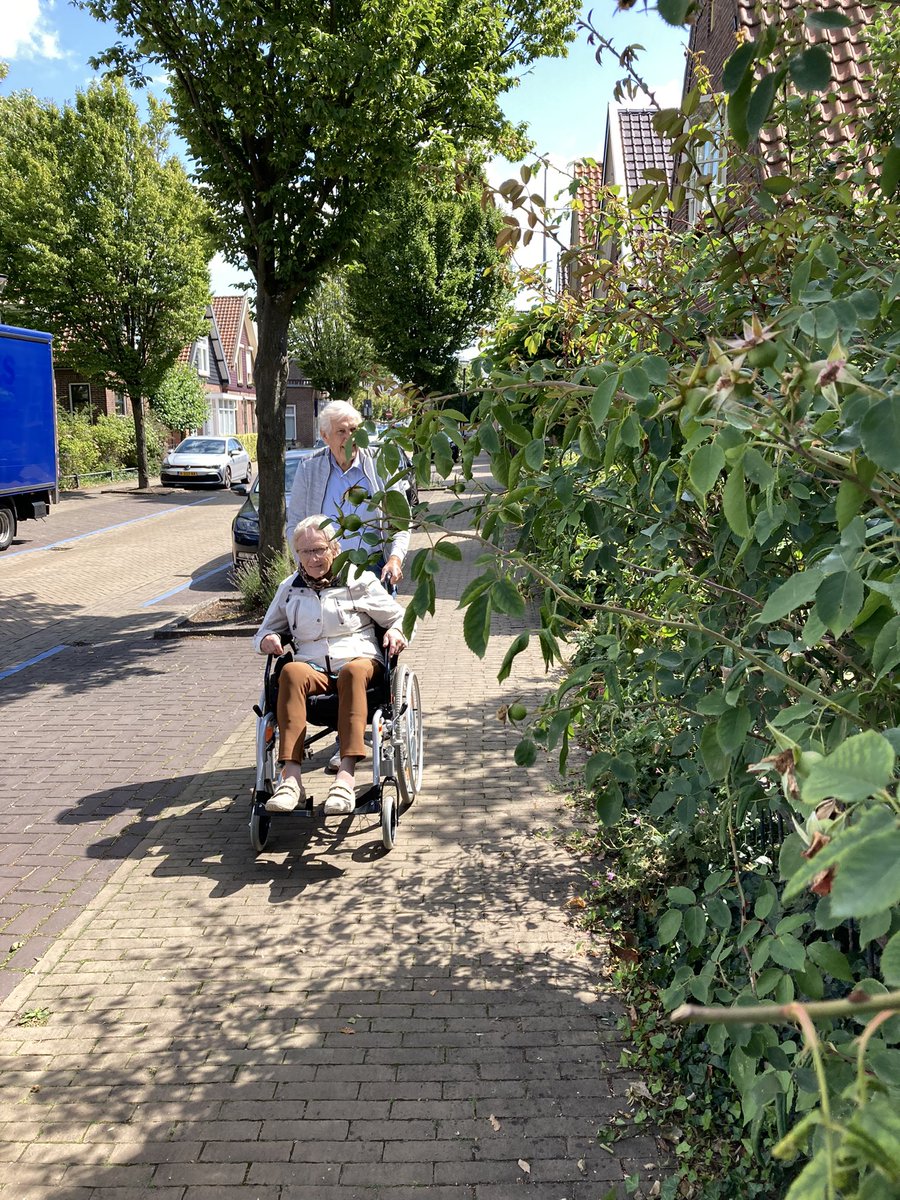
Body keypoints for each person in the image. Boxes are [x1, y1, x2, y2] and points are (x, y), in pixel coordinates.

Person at [254, 516, 408, 817]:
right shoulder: (290, 588)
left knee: (351, 672)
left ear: (334, 548)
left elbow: (397, 616)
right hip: (312, 667)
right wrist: (268, 639)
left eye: (319, 549)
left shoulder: (358, 579)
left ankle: (345, 778)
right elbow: (261, 633)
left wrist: (395, 632)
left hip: (360, 660)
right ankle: (291, 780)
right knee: (289, 672)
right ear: (297, 554)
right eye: (305, 552)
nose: (313, 558)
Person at [286, 399, 409, 589]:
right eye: (341, 432)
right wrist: (307, 565)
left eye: (354, 430)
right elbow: (294, 524)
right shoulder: (309, 468)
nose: (350, 438)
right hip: (326, 571)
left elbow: (402, 522)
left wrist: (395, 559)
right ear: (325, 436)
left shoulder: (380, 463)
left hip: (374, 569)